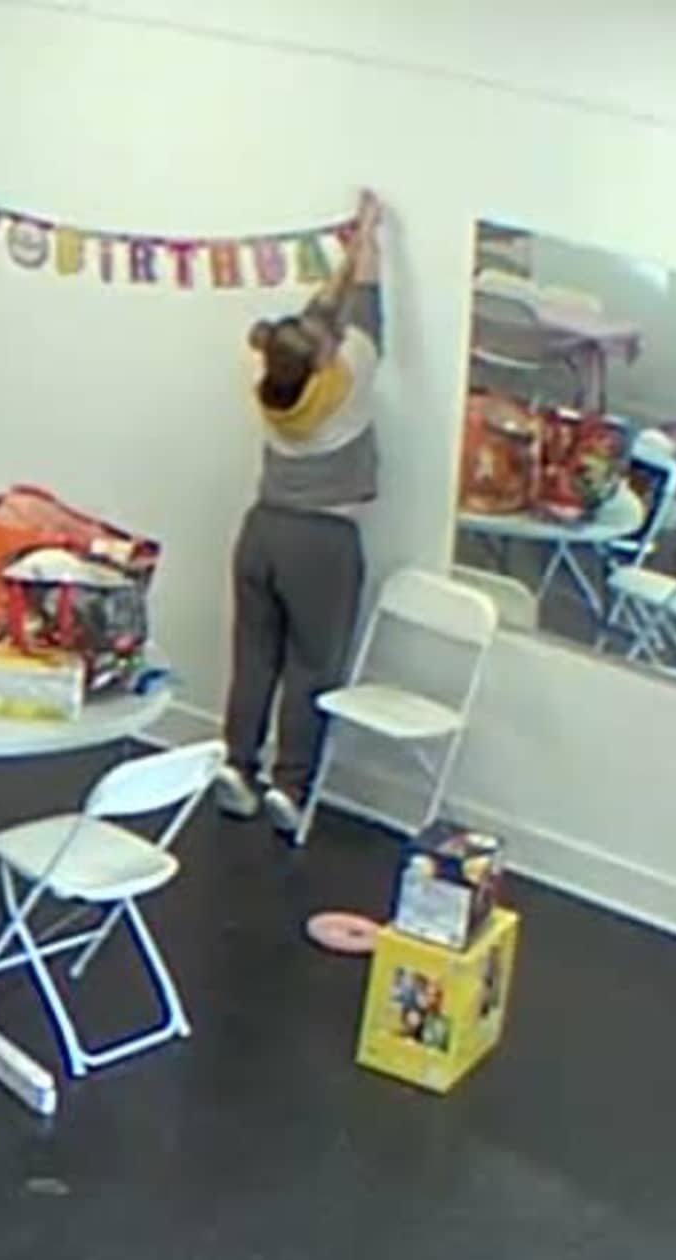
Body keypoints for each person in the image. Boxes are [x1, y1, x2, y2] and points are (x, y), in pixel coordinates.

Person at [219, 191, 387, 837]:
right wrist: (368, 244)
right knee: (314, 665)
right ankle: (291, 784)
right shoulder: (353, 379)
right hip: (323, 537)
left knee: (255, 656)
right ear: (324, 360)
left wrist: (349, 245)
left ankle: (237, 766)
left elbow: (316, 317)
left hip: (262, 529)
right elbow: (365, 305)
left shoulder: (269, 383)